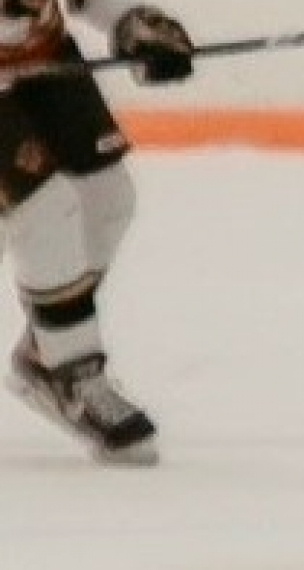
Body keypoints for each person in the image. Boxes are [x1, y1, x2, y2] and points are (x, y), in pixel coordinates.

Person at [0, 0, 190, 464]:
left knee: (108, 200)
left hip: (38, 53)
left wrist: (131, 23)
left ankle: (48, 353)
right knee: (45, 210)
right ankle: (71, 369)